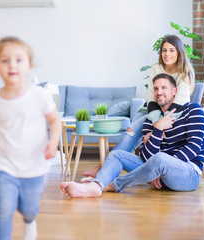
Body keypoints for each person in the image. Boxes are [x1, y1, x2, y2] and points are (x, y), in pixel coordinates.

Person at [0, 37, 61, 240]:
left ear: (29, 65)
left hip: (33, 164)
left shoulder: (40, 95)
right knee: (4, 208)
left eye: (18, 59)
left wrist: (53, 142)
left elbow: (55, 120)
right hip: (3, 163)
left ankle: (30, 221)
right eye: (4, 60)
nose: (11, 65)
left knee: (29, 209)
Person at [60, 73, 204, 197]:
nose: (159, 92)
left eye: (164, 88)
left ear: (175, 91)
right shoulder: (153, 119)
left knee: (161, 159)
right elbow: (145, 155)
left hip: (188, 173)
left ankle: (114, 185)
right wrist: (157, 129)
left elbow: (194, 147)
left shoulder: (193, 110)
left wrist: (160, 167)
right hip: (159, 175)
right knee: (118, 154)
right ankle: (96, 186)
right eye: (156, 88)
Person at [82, 35, 195, 178]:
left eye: (172, 50)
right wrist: (156, 123)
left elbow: (179, 105)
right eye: (164, 50)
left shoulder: (185, 73)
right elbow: (151, 98)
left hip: (173, 114)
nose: (167, 54)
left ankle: (104, 168)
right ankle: (106, 167)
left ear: (179, 52)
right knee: (131, 130)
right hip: (152, 109)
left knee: (137, 132)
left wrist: (159, 126)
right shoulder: (156, 68)